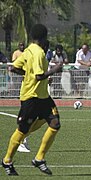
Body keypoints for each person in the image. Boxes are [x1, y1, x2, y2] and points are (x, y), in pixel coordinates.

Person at [1, 24, 63, 176]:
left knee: (55, 124)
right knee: (22, 130)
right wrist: (56, 69)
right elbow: (39, 76)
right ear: (44, 37)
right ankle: (7, 161)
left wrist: (26, 74)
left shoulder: (28, 50)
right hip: (31, 97)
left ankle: (39, 158)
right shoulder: (38, 53)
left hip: (42, 97)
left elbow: (14, 68)